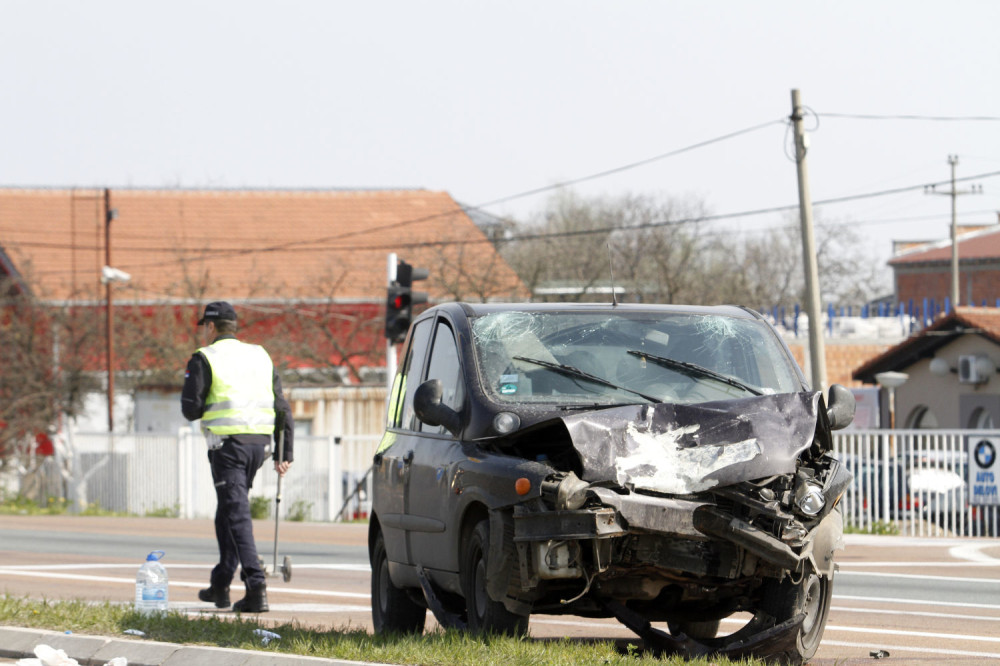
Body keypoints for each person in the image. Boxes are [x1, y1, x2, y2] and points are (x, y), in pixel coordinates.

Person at [181, 301, 294, 613]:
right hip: (259, 446)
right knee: (228, 510)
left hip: (227, 447)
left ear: (211, 327)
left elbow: (191, 409)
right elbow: (281, 406)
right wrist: (284, 451)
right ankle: (220, 584)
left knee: (237, 514)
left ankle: (256, 586)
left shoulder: (205, 357)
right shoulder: (260, 354)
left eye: (205, 327)